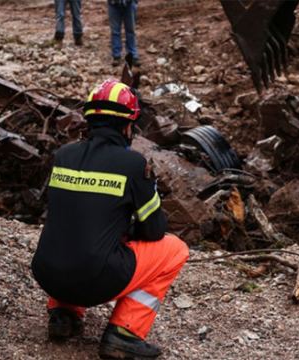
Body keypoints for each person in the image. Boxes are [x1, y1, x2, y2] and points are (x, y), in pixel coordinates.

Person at [31, 79, 189, 359]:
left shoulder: (63, 155)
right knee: (175, 249)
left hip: (46, 274)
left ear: (90, 119)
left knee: (77, 231)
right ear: (128, 125)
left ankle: (63, 314)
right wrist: (124, 230)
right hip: (94, 279)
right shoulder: (134, 165)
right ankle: (124, 334)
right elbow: (153, 231)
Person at [108, 0, 140, 67]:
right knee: (115, 31)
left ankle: (133, 54)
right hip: (113, 3)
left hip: (129, 3)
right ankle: (116, 55)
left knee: (130, 30)